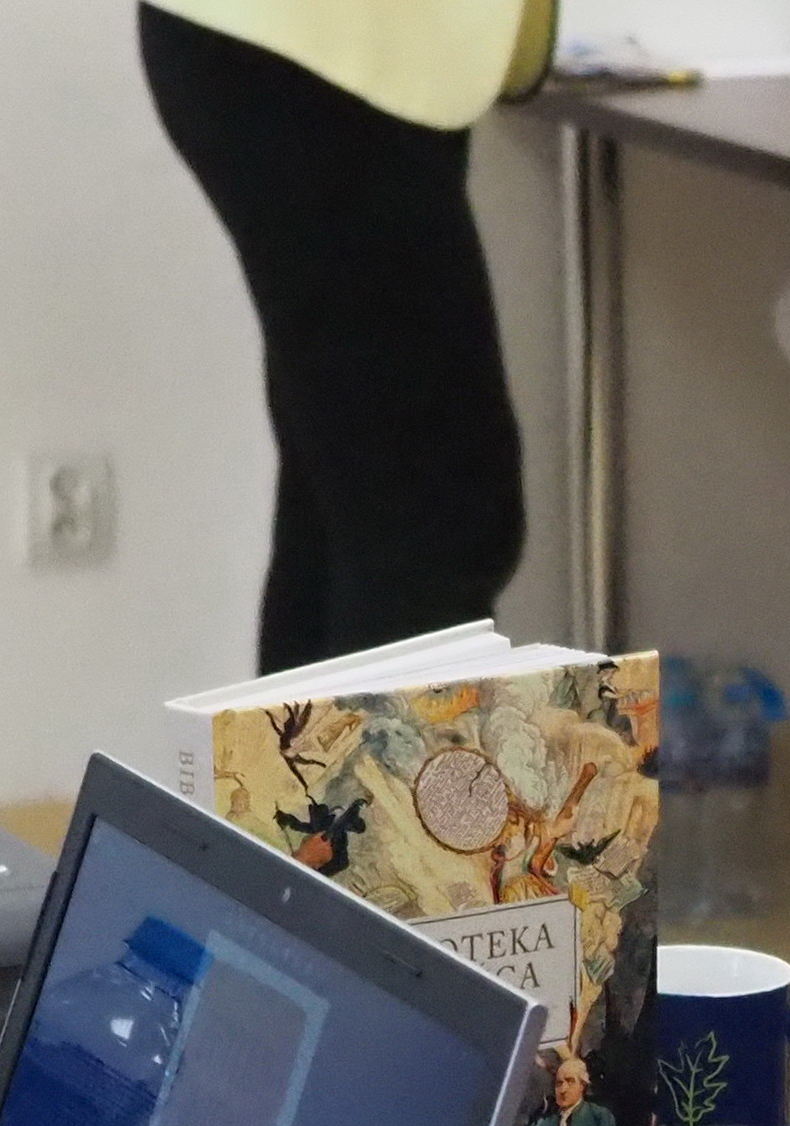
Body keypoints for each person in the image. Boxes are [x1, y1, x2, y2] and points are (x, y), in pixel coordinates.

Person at [139, 0, 547, 671]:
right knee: (435, 523)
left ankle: (307, 748)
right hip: (313, 58)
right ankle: (389, 748)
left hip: (317, 55)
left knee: (348, 515)